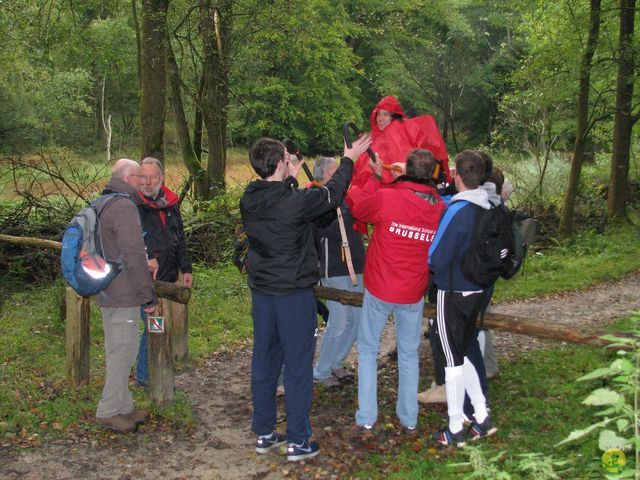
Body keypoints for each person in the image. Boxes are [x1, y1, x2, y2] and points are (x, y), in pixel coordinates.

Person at [241, 135, 371, 462]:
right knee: (298, 364)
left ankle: (265, 432)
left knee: (265, 359)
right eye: (287, 157)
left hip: (263, 294)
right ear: (281, 163)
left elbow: (285, 196)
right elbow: (332, 194)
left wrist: (290, 175)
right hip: (293, 295)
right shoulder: (295, 202)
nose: (291, 159)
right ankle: (298, 440)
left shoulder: (251, 197)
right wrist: (349, 159)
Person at [351, 149, 445, 433]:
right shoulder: (438, 206)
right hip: (413, 290)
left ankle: (367, 416)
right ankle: (408, 417)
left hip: (380, 287)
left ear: (406, 170)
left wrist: (377, 178)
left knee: (368, 350)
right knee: (409, 353)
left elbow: (358, 210)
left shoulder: (388, 196)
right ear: (430, 174)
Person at [428, 150, 498, 447]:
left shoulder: (458, 209)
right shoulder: (488, 205)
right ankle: (481, 416)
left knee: (452, 360)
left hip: (453, 291)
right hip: (478, 289)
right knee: (466, 349)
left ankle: (455, 426)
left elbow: (435, 255)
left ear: (456, 174)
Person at [94, 158, 158, 433]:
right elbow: (134, 256)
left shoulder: (102, 202)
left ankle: (125, 407)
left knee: (120, 349)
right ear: (129, 177)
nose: (143, 182)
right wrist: (149, 296)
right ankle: (108, 411)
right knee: (122, 353)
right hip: (123, 294)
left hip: (107, 290)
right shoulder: (123, 207)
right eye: (140, 177)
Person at [134, 157, 193, 387]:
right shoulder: (134, 206)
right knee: (153, 327)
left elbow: (179, 239)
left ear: (162, 178)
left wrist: (185, 268)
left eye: (152, 177)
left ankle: (153, 370)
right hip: (145, 280)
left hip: (168, 276)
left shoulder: (170, 203)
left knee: (158, 326)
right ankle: (146, 377)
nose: (147, 182)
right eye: (143, 176)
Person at [312, 157, 366, 389]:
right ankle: (321, 371)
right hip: (333, 267)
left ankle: (336, 362)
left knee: (358, 320)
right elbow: (325, 228)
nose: (342, 177)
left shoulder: (347, 197)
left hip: (357, 267)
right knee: (340, 321)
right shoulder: (317, 200)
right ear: (323, 177)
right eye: (336, 172)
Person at [349, 96, 450, 192]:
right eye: (379, 114)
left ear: (393, 117)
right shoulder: (376, 136)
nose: (380, 118)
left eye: (385, 114)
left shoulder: (400, 131)